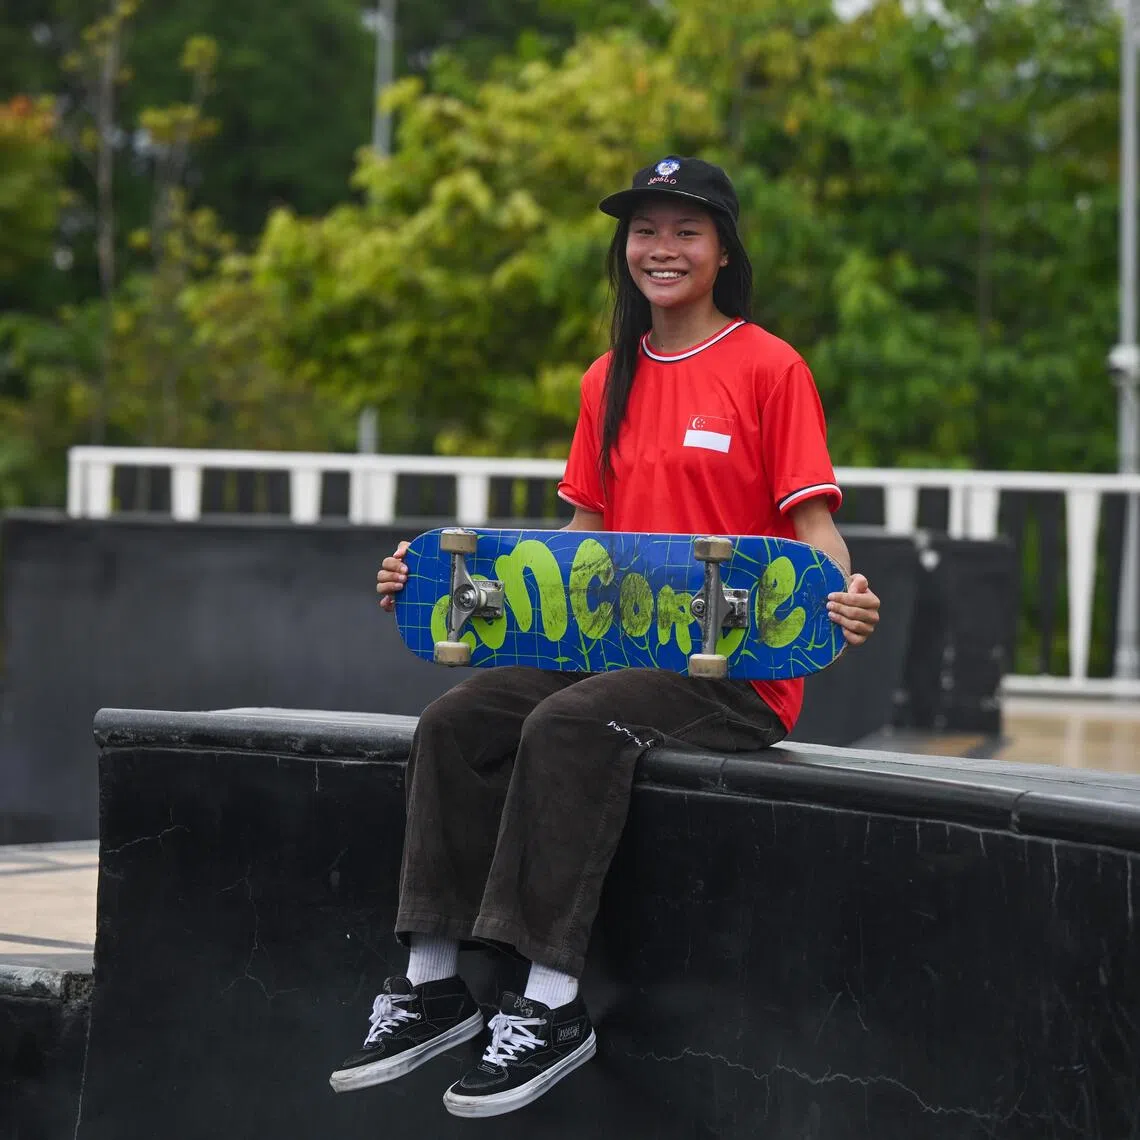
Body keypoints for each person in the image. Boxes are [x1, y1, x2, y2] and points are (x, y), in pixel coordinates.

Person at [329, 156, 881, 1117]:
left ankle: (548, 1002)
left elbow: (812, 527)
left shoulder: (769, 367)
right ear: (623, 250)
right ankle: (429, 981)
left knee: (571, 726)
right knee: (457, 722)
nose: (660, 249)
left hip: (729, 669)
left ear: (722, 251)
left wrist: (843, 597)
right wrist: (437, 587)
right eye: (644, 231)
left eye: (685, 231)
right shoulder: (606, 381)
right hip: (613, 652)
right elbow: (583, 549)